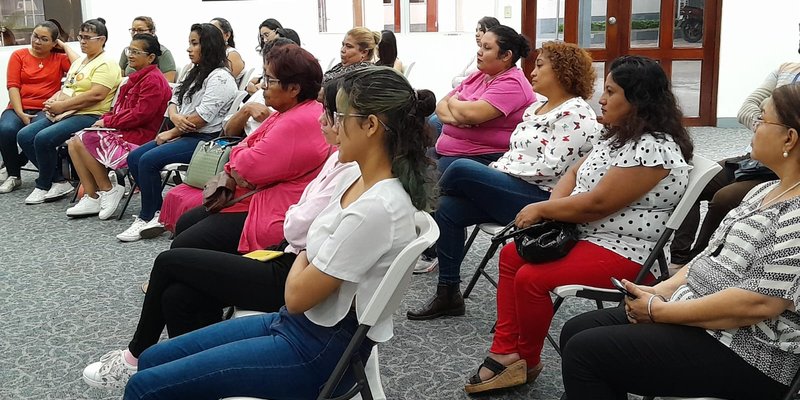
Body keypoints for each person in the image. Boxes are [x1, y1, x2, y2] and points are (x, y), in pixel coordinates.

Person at [116, 66, 435, 399]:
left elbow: (295, 296)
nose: (331, 125)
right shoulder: (361, 180)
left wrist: (308, 249)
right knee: (151, 359)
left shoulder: (377, 207)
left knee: (143, 386)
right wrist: (310, 250)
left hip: (312, 352)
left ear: (370, 125)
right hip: (298, 327)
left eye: (339, 115)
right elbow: (303, 248)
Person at [82, 78, 359, 390]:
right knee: (178, 295)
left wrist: (291, 212)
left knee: (169, 261)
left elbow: (294, 222)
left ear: (366, 124)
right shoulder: (338, 155)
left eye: (333, 114)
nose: (322, 119)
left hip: (290, 271)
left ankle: (135, 357)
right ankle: (187, 377)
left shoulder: (350, 169)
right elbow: (239, 149)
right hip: (287, 252)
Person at [462, 55, 694, 394]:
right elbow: (573, 171)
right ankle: (505, 350)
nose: (601, 98)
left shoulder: (653, 147)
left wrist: (544, 210)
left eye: (611, 92)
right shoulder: (619, 135)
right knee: (512, 255)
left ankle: (526, 359)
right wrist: (553, 207)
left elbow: (599, 203)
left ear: (637, 100)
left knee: (531, 278)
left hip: (626, 250)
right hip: (590, 235)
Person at [559, 82, 800, 400]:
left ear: (789, 138)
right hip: (705, 318)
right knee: (576, 330)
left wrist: (658, 311)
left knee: (585, 353)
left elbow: (757, 303)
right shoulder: (762, 191)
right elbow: (711, 256)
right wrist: (658, 291)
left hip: (751, 352)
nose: (753, 126)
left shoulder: (795, 215)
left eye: (763, 120)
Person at [408, 41, 599, 320]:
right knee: (448, 208)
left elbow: (549, 167)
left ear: (562, 72)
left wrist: (497, 173)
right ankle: (448, 293)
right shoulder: (538, 108)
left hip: (543, 199)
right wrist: (499, 171)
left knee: (460, 168)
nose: (533, 71)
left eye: (541, 65)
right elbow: (517, 153)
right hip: (513, 185)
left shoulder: (576, 114)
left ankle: (414, 206)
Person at [159, 44, 332, 255]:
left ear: (294, 88)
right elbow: (241, 146)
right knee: (186, 223)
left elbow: (249, 168)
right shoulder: (287, 112)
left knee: (183, 246)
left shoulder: (299, 121)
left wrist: (239, 156)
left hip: (272, 208)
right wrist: (240, 155)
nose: (263, 86)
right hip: (254, 194)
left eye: (269, 80)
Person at [669, 60, 800, 268]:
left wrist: (773, 126)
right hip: (759, 158)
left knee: (724, 198)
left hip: (783, 165)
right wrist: (767, 127)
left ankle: (699, 260)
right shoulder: (786, 69)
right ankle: (679, 257)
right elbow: (746, 110)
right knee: (691, 181)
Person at [116, 23, 237, 242]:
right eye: (189, 43)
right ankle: (156, 210)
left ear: (208, 46)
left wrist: (171, 132)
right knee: (134, 158)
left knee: (147, 161)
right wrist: (175, 117)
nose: (189, 49)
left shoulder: (220, 77)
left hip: (205, 140)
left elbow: (201, 119)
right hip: (184, 131)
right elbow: (174, 100)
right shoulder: (193, 70)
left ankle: (149, 216)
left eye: (195, 43)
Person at [65, 34, 172, 219]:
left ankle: (108, 189)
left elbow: (140, 115)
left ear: (151, 57)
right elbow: (117, 109)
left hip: (141, 135)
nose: (130, 55)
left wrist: (108, 122)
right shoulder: (133, 78)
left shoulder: (153, 80)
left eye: (136, 52)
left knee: (84, 139)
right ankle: (92, 196)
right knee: (73, 142)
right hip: (124, 129)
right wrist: (106, 119)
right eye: (129, 50)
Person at [17, 18, 121, 205]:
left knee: (43, 138)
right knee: (25, 135)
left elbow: (96, 95)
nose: (82, 41)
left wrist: (62, 107)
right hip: (68, 111)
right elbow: (69, 88)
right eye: (80, 37)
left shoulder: (106, 63)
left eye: (88, 38)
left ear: (102, 39)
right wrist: (54, 101)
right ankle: (58, 180)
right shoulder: (80, 62)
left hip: (90, 115)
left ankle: (43, 184)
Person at [433, 24, 535, 174]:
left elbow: (471, 115)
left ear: (506, 55)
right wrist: (455, 118)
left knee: (424, 176)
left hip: (481, 157)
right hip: (451, 150)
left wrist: (454, 102)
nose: (479, 52)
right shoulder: (480, 74)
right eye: (480, 46)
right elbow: (441, 104)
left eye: (487, 48)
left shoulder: (512, 83)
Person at [0, 21, 77, 194]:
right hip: (18, 106)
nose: (37, 41)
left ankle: (55, 177)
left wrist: (64, 46)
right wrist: (20, 112)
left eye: (44, 39)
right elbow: (12, 86)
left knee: (33, 134)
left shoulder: (59, 58)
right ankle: (14, 175)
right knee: (6, 129)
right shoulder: (18, 55)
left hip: (46, 109)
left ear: (54, 43)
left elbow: (80, 70)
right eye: (35, 36)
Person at [226, 38, 295, 137]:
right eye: (265, 75)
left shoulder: (298, 107)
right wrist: (246, 109)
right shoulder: (262, 94)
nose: (263, 85)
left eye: (270, 77)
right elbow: (228, 131)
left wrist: (272, 118)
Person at [118, 16, 176, 83]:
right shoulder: (128, 51)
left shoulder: (164, 53)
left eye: (140, 30)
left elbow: (169, 83)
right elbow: (119, 78)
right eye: (133, 30)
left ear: (152, 32)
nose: (136, 34)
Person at [451, 16, 500, 88]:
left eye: (481, 30)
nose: (477, 34)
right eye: (476, 30)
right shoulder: (476, 56)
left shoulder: (493, 59)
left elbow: (478, 82)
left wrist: (464, 82)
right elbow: (454, 81)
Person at [210, 17, 245, 85]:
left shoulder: (232, 55)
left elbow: (223, 82)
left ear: (227, 35)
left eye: (215, 31)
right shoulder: (209, 54)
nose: (210, 35)